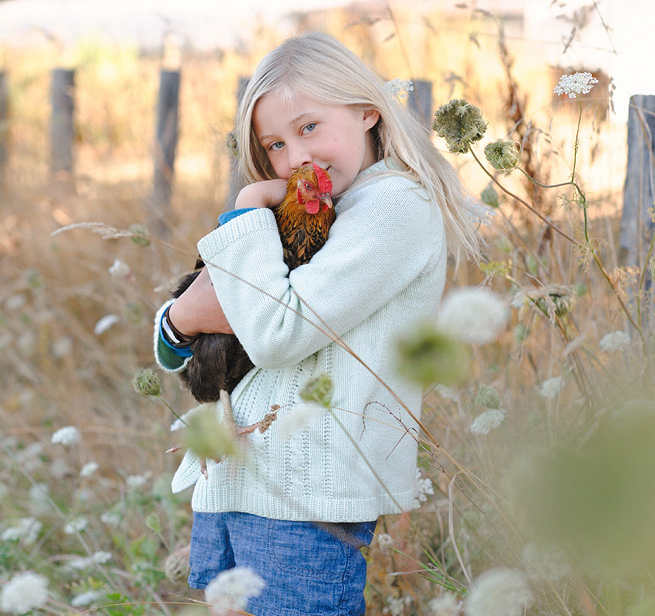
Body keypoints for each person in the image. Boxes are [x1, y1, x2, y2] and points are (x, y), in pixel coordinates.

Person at [153, 31, 481, 615]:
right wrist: (176, 322)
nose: (295, 157)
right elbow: (191, 330)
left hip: (308, 499)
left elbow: (277, 333)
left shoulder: (394, 209)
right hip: (243, 481)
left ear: (367, 112)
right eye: (274, 144)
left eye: (309, 128)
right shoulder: (322, 210)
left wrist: (249, 203)